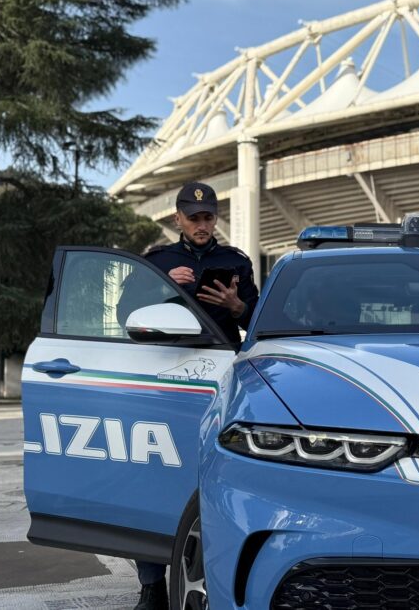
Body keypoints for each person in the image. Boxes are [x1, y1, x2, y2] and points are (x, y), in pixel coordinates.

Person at [125, 182, 260, 610]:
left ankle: (211, 577)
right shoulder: (157, 262)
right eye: (194, 217)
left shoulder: (235, 262)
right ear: (177, 219)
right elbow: (125, 316)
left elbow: (261, 325)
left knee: (211, 478)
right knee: (153, 476)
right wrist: (163, 285)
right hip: (163, 381)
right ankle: (151, 586)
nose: (202, 225)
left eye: (208, 217)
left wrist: (239, 308)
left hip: (218, 381)